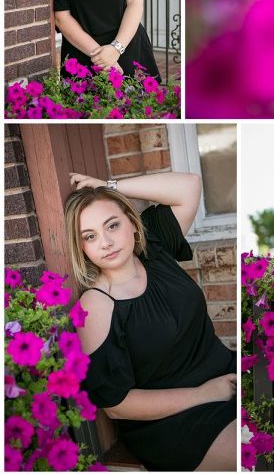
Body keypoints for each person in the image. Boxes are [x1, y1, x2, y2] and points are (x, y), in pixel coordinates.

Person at [66, 172, 235, 471]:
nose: (105, 242)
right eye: (90, 236)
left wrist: (109, 186)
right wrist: (204, 394)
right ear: (82, 248)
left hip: (225, 375)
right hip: (173, 423)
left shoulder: (156, 250)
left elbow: (189, 186)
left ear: (132, 222)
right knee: (257, 449)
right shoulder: (96, 305)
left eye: (113, 225)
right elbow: (117, 406)